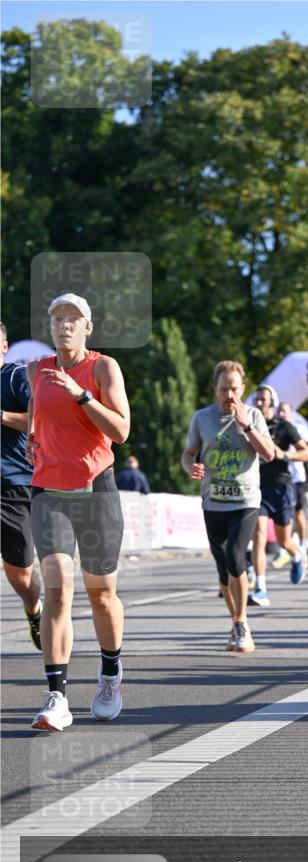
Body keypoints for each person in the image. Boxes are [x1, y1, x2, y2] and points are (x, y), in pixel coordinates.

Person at [27, 293, 130, 731]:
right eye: (57, 320)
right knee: (57, 589)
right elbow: (35, 414)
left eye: (73, 319)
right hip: (49, 491)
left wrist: (82, 396)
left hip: (96, 491)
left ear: (88, 327)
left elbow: (122, 431)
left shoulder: (103, 368)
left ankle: (110, 674)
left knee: (101, 594)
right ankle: (57, 697)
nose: (64, 326)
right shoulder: (37, 370)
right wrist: (34, 437)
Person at [182, 360, 274, 652]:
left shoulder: (254, 416)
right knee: (223, 569)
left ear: (242, 389)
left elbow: (269, 454)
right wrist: (190, 468)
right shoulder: (202, 418)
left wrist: (246, 425)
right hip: (213, 502)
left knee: (236, 557)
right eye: (224, 389)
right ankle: (235, 621)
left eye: (234, 389)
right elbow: (189, 453)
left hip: (245, 501)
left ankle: (244, 622)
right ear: (215, 390)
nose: (229, 395)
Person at [248, 385, 308, 606]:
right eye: (256, 399)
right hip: (258, 487)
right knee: (259, 537)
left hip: (282, 487)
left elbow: (307, 452)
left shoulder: (285, 427)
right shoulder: (250, 425)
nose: (259, 403)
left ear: (272, 402)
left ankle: (296, 556)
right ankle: (260, 588)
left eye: (263, 399)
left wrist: (284, 454)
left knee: (284, 540)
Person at [1, 321, 42, 648]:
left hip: (12, 485)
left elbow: (38, 417)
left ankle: (34, 608)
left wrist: (1, 415)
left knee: (22, 574)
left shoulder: (14, 376)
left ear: (4, 346)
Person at [275, 401, 308, 570]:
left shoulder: (297, 427)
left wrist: (290, 453)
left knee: (298, 514)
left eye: (285, 411)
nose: (282, 414)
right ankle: (283, 549)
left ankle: (303, 547)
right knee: (282, 514)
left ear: (291, 413)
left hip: (297, 476)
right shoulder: (273, 427)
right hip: (279, 477)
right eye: (279, 411)